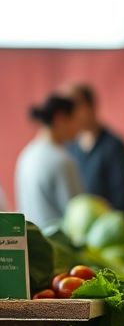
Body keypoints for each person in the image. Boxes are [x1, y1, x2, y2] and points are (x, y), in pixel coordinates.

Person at [62, 83, 124, 216]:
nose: (72, 114)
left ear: (91, 107)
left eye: (75, 107)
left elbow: (122, 200)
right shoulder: (70, 148)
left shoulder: (113, 146)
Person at [16, 94, 84, 229]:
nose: (78, 127)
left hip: (30, 239)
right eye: (75, 120)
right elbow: (78, 216)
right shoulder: (62, 161)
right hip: (56, 241)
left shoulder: (25, 156)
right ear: (60, 118)